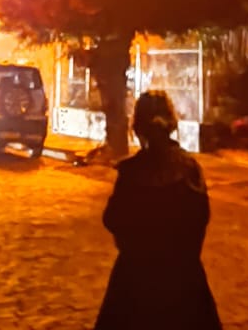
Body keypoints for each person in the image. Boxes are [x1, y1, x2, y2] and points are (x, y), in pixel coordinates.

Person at [94, 91, 221, 330]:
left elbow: (111, 218)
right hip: (185, 285)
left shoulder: (132, 173)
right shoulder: (189, 170)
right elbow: (201, 218)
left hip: (134, 286)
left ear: (138, 126)